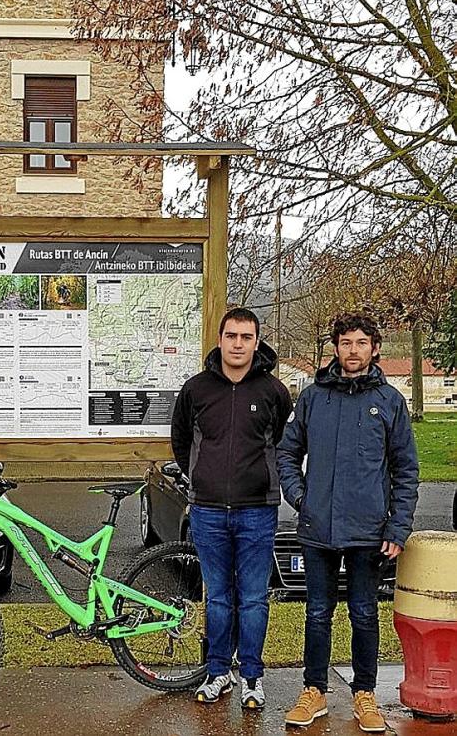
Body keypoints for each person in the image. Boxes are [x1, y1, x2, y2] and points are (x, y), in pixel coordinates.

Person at [277, 313, 419, 733]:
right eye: (345, 342)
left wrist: (397, 527)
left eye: (361, 343)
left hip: (369, 532)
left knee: (363, 614)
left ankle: (365, 694)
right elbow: (287, 453)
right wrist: (300, 497)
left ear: (375, 347)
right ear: (334, 347)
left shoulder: (390, 401)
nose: (352, 350)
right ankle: (314, 691)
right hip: (318, 528)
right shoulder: (313, 398)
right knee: (318, 613)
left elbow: (406, 470)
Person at [171, 307, 292, 710]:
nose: (238, 344)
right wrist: (201, 478)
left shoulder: (273, 392)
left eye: (246, 336)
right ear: (219, 340)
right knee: (219, 598)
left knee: (254, 598)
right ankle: (218, 671)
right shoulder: (196, 390)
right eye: (231, 336)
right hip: (207, 511)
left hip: (257, 510)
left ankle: (252, 678)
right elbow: (182, 440)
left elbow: (280, 442)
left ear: (257, 342)